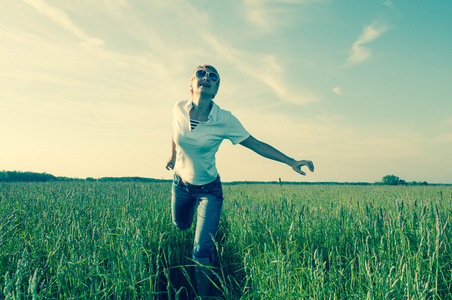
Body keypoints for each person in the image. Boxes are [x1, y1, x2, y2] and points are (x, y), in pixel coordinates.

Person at [165, 64, 314, 298]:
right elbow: (175, 132)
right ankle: (189, 216)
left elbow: (255, 144)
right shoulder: (178, 109)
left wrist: (290, 161)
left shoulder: (224, 119)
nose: (206, 77)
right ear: (191, 84)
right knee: (180, 225)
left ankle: (204, 296)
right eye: (201, 74)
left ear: (215, 90)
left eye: (213, 76)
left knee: (201, 250)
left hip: (209, 191)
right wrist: (172, 155)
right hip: (181, 185)